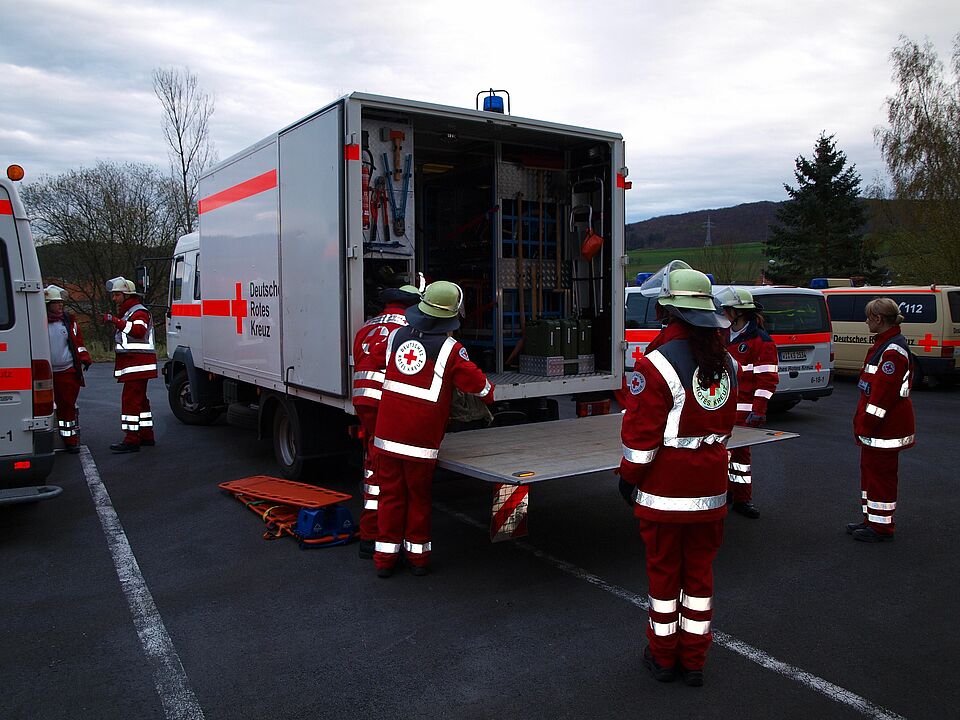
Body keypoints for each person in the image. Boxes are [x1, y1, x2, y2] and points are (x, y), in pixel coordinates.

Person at [618, 261, 736, 687]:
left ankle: (663, 657)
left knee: (665, 578)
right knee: (700, 577)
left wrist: (628, 478)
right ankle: (695, 661)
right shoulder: (728, 362)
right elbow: (726, 423)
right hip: (711, 488)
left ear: (666, 311)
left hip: (665, 491)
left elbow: (641, 437)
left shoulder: (656, 364)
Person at [372, 281, 494, 578]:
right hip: (420, 440)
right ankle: (418, 559)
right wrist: (490, 392)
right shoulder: (451, 349)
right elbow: (478, 385)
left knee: (389, 496)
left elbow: (377, 361)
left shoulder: (396, 336)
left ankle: (384, 560)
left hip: (387, 434)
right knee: (418, 497)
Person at [351, 281, 423, 560]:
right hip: (387, 403)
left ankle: (370, 535)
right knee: (392, 474)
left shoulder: (367, 326)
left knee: (374, 464)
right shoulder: (409, 328)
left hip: (363, 401)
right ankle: (386, 537)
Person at [847, 297, 915, 543]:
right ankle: (871, 520)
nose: (866, 322)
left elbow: (882, 398)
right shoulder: (885, 345)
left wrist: (866, 425)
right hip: (878, 427)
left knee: (881, 478)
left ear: (878, 318)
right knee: (871, 475)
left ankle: (882, 527)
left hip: (884, 428)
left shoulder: (892, 351)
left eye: (868, 318)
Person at [715, 286, 779, 519]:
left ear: (737, 313)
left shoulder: (761, 341)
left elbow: (767, 380)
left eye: (726, 310)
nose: (723, 313)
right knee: (720, 455)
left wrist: (759, 410)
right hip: (720, 407)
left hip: (743, 412)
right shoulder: (722, 335)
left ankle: (742, 499)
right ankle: (724, 494)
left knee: (740, 459)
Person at [102, 277, 158, 453]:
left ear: (127, 295)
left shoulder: (138, 312)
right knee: (141, 402)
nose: (114, 298)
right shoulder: (130, 311)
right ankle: (146, 435)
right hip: (137, 364)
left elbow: (139, 331)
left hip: (137, 364)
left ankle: (131, 440)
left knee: (130, 401)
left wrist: (115, 321)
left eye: (117, 295)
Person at [44, 285, 92, 453]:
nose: (60, 305)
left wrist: (84, 358)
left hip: (67, 371)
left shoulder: (69, 322)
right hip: (45, 373)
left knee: (67, 405)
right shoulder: (37, 322)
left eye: (61, 303)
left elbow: (78, 342)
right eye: (56, 302)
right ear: (48, 304)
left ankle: (70, 439)